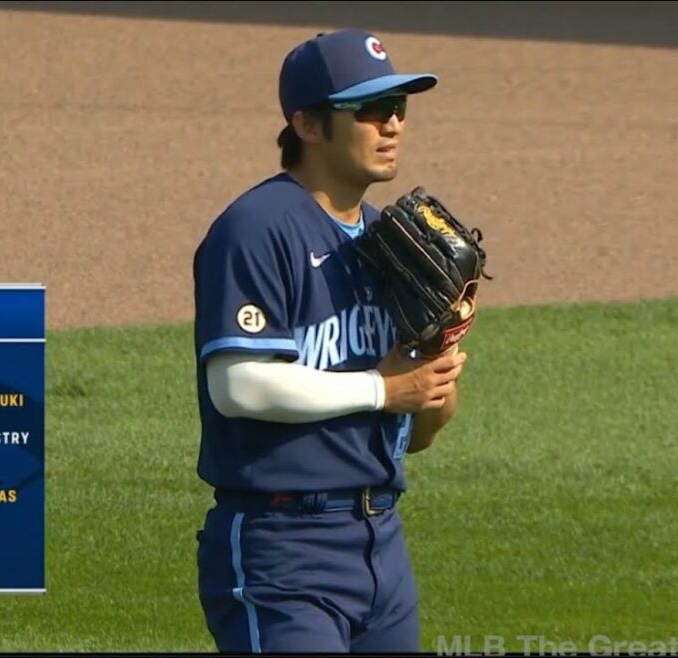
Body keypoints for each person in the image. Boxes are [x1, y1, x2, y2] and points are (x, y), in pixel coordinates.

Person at [191, 28, 470, 653]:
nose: (392, 124)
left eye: (399, 108)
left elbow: (418, 432)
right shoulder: (257, 229)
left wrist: (438, 372)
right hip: (284, 547)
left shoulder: (392, 244)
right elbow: (239, 386)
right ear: (309, 126)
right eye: (370, 110)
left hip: (381, 541)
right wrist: (386, 387)